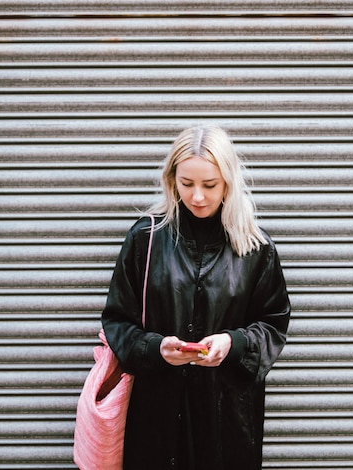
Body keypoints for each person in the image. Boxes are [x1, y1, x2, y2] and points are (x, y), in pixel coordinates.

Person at [101, 125, 291, 470]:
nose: (198, 197)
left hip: (227, 421)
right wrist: (154, 348)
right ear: (172, 179)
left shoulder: (255, 247)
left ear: (228, 183)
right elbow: (117, 321)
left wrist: (232, 343)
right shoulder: (146, 239)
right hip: (156, 418)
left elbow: (273, 325)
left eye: (210, 185)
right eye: (187, 184)